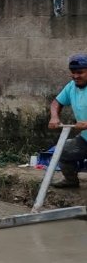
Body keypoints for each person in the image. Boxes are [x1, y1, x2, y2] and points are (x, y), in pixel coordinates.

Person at [48, 53, 87, 188]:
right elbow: (56, 103)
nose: (76, 76)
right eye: (73, 72)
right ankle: (71, 180)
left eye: (80, 72)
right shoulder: (72, 86)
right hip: (85, 138)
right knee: (62, 151)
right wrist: (54, 116)